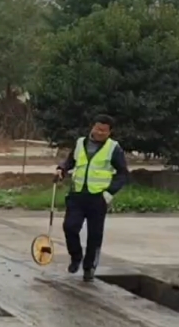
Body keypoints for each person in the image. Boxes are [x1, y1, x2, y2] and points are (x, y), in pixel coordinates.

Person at [55, 114, 129, 282]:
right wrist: (62, 169)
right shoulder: (80, 143)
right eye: (97, 128)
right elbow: (70, 162)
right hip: (77, 195)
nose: (99, 132)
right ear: (92, 127)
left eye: (104, 130)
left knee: (94, 235)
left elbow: (123, 174)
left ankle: (89, 268)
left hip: (98, 198)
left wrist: (109, 193)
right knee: (70, 227)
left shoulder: (113, 148)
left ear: (110, 132)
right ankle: (76, 257)